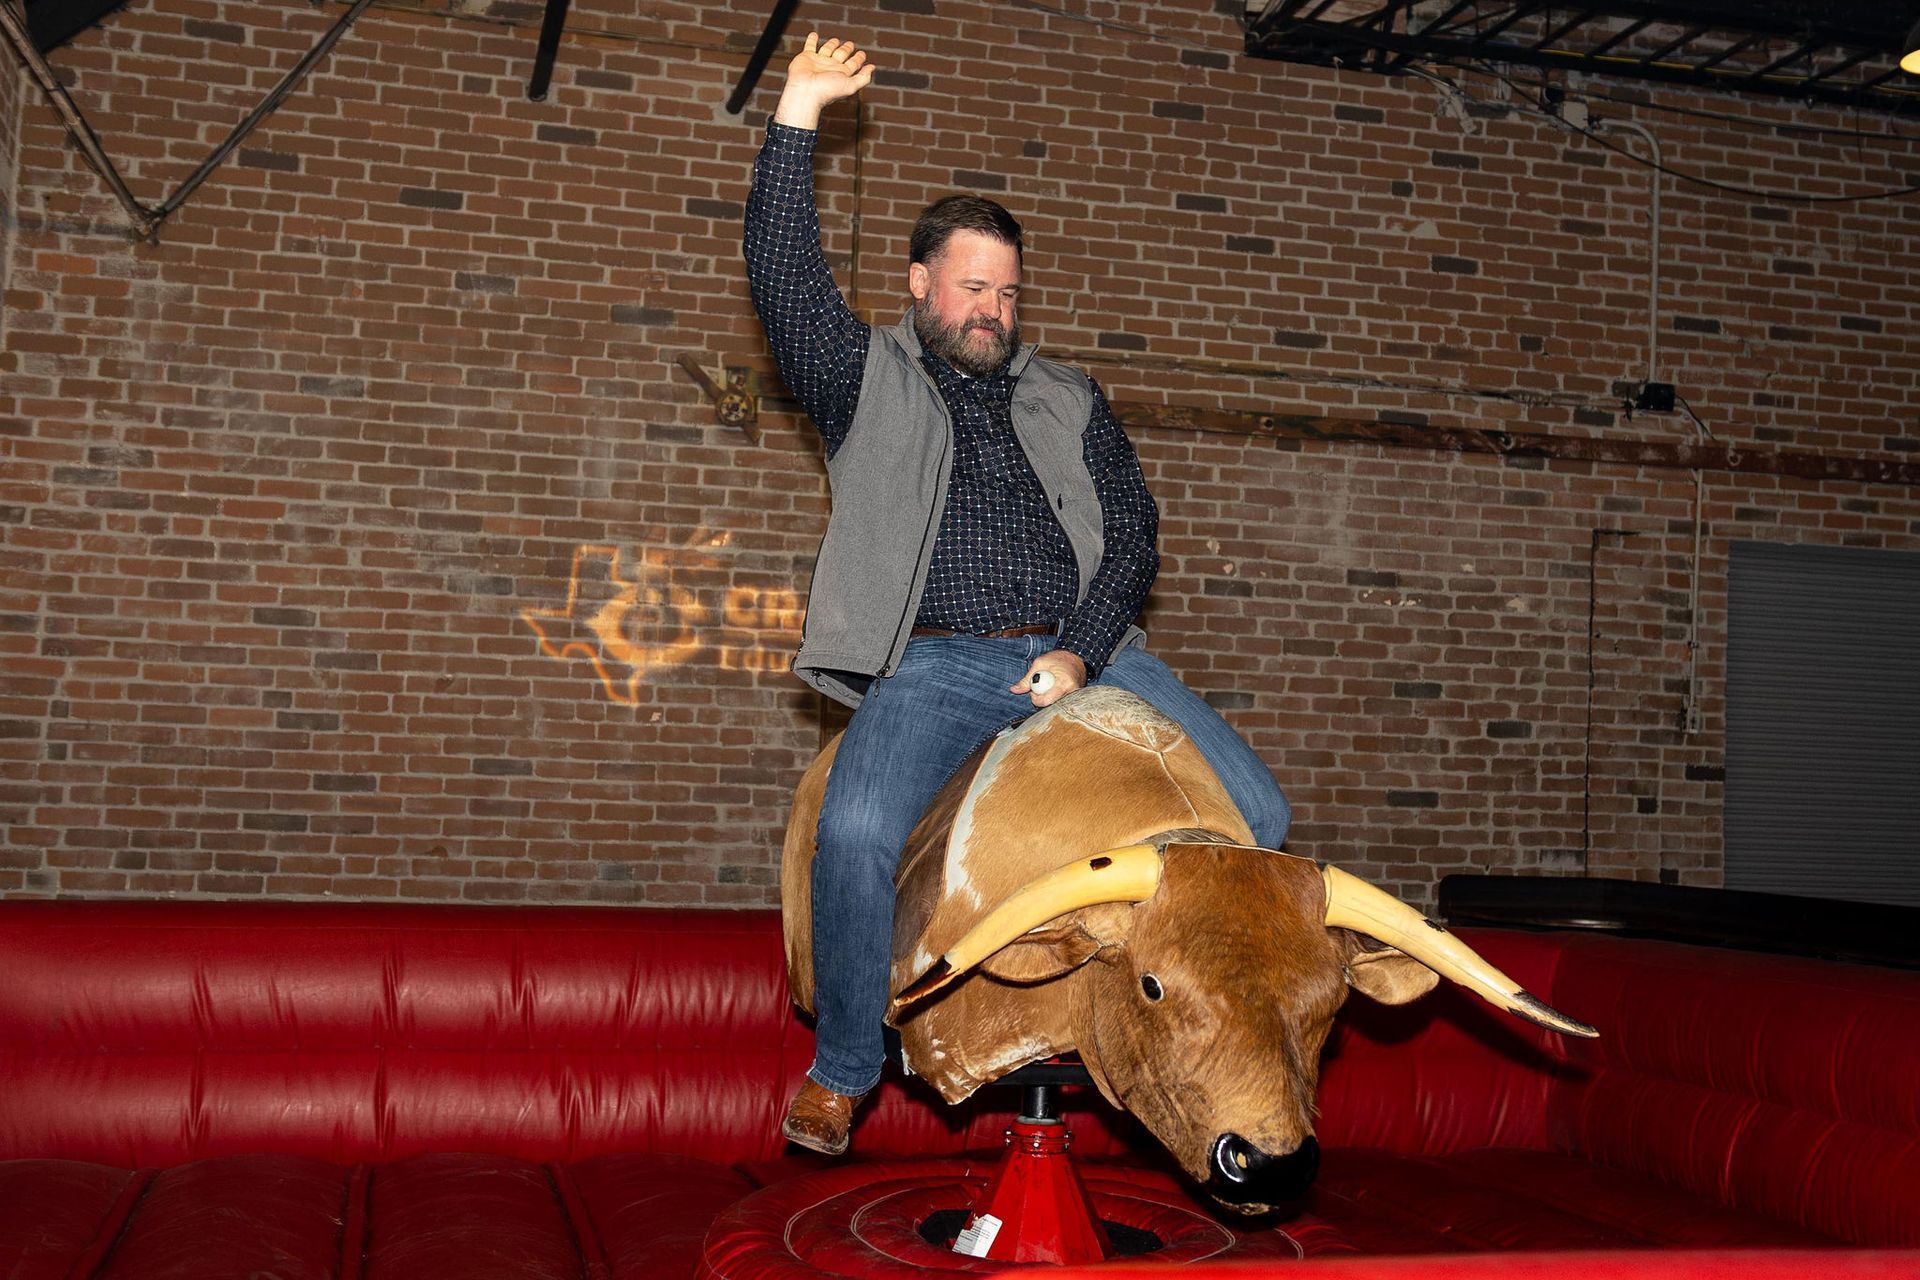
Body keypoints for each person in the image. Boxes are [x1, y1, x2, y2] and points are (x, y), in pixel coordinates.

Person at [743, 32, 1292, 1157]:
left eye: (1007, 288)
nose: (992, 306)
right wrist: (795, 115)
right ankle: (843, 1067)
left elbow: (1133, 530)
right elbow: (785, 282)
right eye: (971, 285)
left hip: (1089, 645)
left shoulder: (1071, 394)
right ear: (921, 285)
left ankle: (1210, 1056)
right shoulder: (864, 381)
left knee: (1265, 818)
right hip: (937, 659)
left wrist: (1086, 649)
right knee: (850, 827)